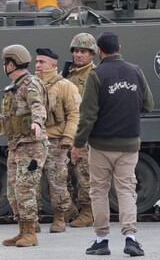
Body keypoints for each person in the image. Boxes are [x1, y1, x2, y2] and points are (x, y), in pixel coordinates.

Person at [71, 32, 154, 256]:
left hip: (101, 145)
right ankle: (131, 238)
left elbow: (88, 115)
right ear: (119, 47)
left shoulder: (96, 75)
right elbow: (148, 105)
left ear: (99, 51)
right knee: (126, 191)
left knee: (98, 191)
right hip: (129, 144)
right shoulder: (135, 71)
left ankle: (102, 240)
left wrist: (77, 144)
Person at [0, 44, 48, 247]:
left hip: (32, 145)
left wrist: (37, 122)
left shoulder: (30, 84)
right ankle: (22, 229)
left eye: (5, 63)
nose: (3, 67)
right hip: (17, 145)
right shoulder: (16, 85)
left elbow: (38, 106)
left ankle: (30, 232)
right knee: (12, 190)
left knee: (25, 189)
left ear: (11, 64)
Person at [34, 47, 80, 233]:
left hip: (56, 142)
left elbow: (75, 114)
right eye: (36, 62)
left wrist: (68, 137)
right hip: (34, 142)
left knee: (57, 182)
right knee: (31, 183)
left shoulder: (66, 86)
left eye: (41, 62)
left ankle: (60, 216)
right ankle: (32, 218)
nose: (37, 65)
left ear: (53, 65)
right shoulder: (31, 84)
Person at [64, 33, 98, 228]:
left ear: (92, 54)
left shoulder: (93, 75)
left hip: (84, 134)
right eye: (76, 51)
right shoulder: (69, 74)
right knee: (66, 173)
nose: (78, 55)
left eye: (83, 51)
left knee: (84, 174)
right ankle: (71, 207)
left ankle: (88, 211)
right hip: (67, 132)